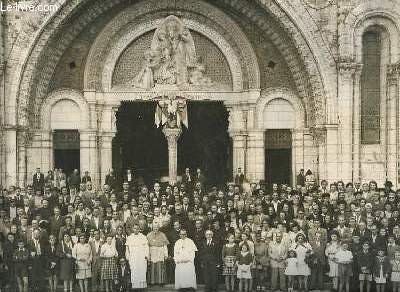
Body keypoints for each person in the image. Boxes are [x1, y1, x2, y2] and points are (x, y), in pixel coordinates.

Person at [126, 224, 149, 290]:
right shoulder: (129, 237)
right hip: (133, 256)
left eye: (137, 228)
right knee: (134, 270)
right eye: (134, 228)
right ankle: (135, 285)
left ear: (139, 229)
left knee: (142, 270)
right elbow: (127, 248)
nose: (136, 230)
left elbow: (146, 247)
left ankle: (142, 286)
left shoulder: (143, 237)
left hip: (141, 256)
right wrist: (128, 256)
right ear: (133, 229)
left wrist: (146, 255)